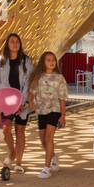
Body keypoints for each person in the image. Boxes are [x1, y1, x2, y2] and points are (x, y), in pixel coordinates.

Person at [0, 32, 32, 171]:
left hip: (22, 102)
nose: (15, 44)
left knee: (20, 130)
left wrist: (21, 102)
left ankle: (19, 163)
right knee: (6, 128)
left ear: (20, 44)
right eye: (11, 41)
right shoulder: (1, 60)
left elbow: (28, 82)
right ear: (7, 44)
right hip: (7, 101)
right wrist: (0, 99)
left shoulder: (26, 60)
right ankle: (12, 152)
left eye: (17, 41)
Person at [28, 50, 69, 179]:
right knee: (42, 140)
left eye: (53, 60)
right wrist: (31, 102)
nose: (51, 62)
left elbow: (62, 97)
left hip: (54, 110)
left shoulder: (59, 78)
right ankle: (53, 155)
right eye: (48, 60)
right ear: (43, 62)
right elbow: (32, 93)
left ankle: (46, 168)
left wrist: (63, 115)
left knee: (48, 137)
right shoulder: (38, 77)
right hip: (41, 111)